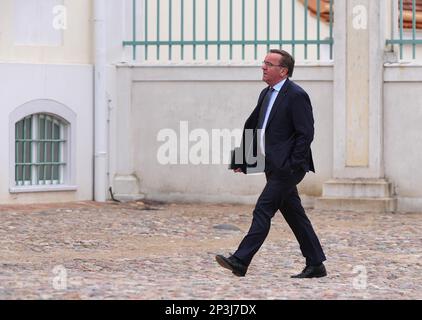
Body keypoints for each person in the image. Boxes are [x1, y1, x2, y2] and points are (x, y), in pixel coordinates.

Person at [216, 49, 327, 278]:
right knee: (295, 215)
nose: (263, 67)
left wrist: (293, 165)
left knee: (263, 209)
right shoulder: (266, 93)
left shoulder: (296, 95)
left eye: (269, 64)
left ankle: (240, 260)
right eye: (264, 63)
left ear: (283, 70)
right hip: (272, 165)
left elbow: (305, 133)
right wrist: (245, 160)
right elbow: (254, 126)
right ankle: (316, 263)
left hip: (287, 169)